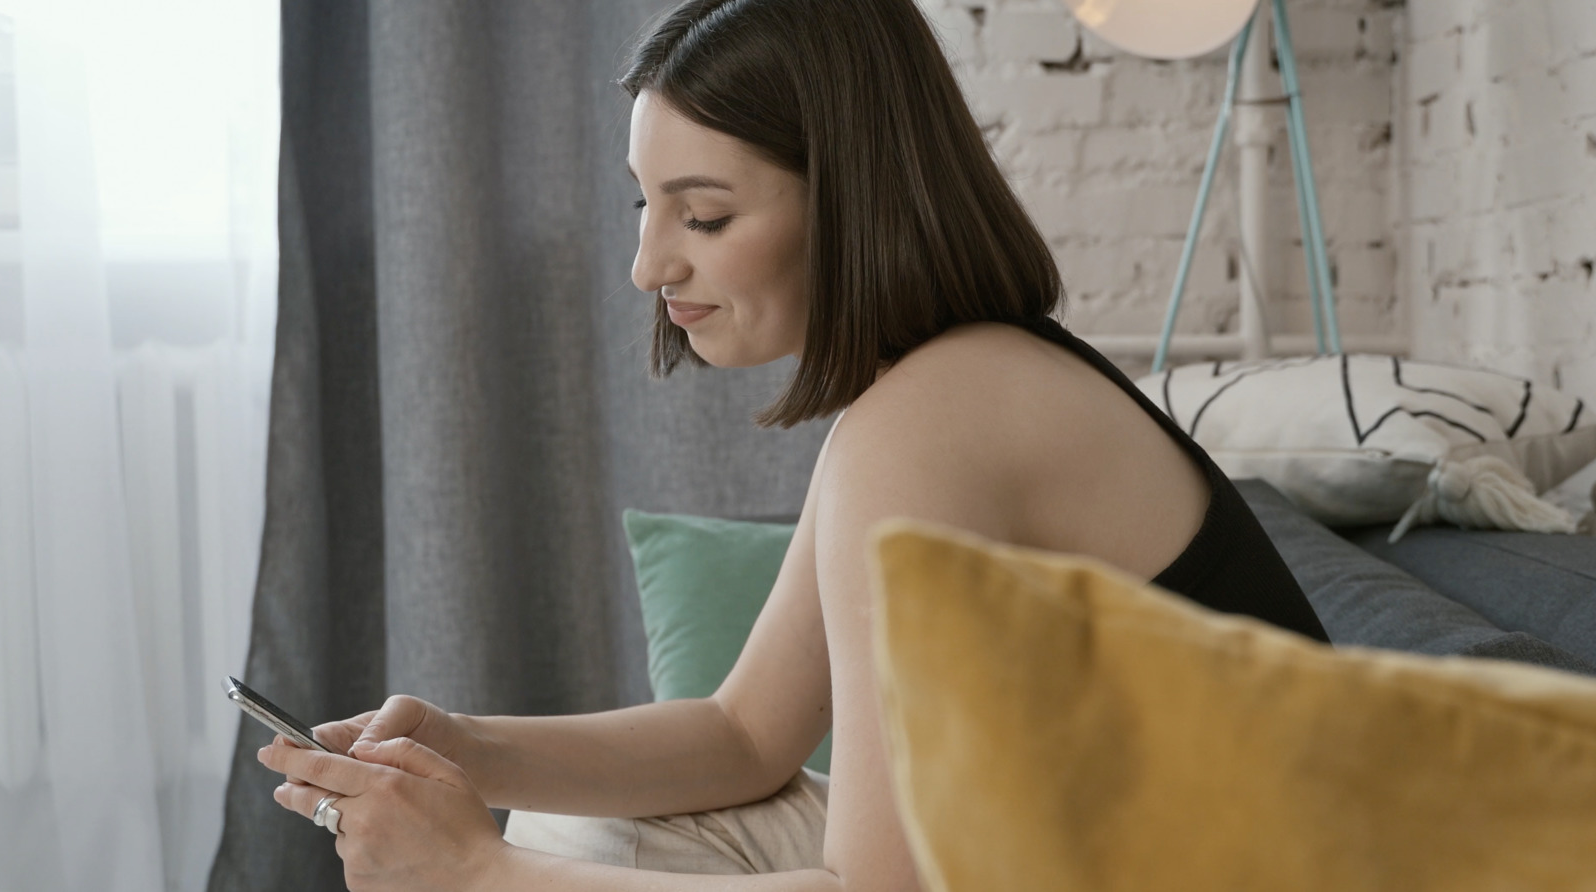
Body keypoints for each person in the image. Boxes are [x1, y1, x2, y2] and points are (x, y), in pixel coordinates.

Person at [257, 0, 1330, 889]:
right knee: (569, 827)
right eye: (645, 205)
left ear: (849, 199)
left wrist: (476, 870)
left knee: (545, 856)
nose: (647, 266)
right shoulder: (937, 391)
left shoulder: (932, 425)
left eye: (705, 217)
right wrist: (464, 749)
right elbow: (742, 735)